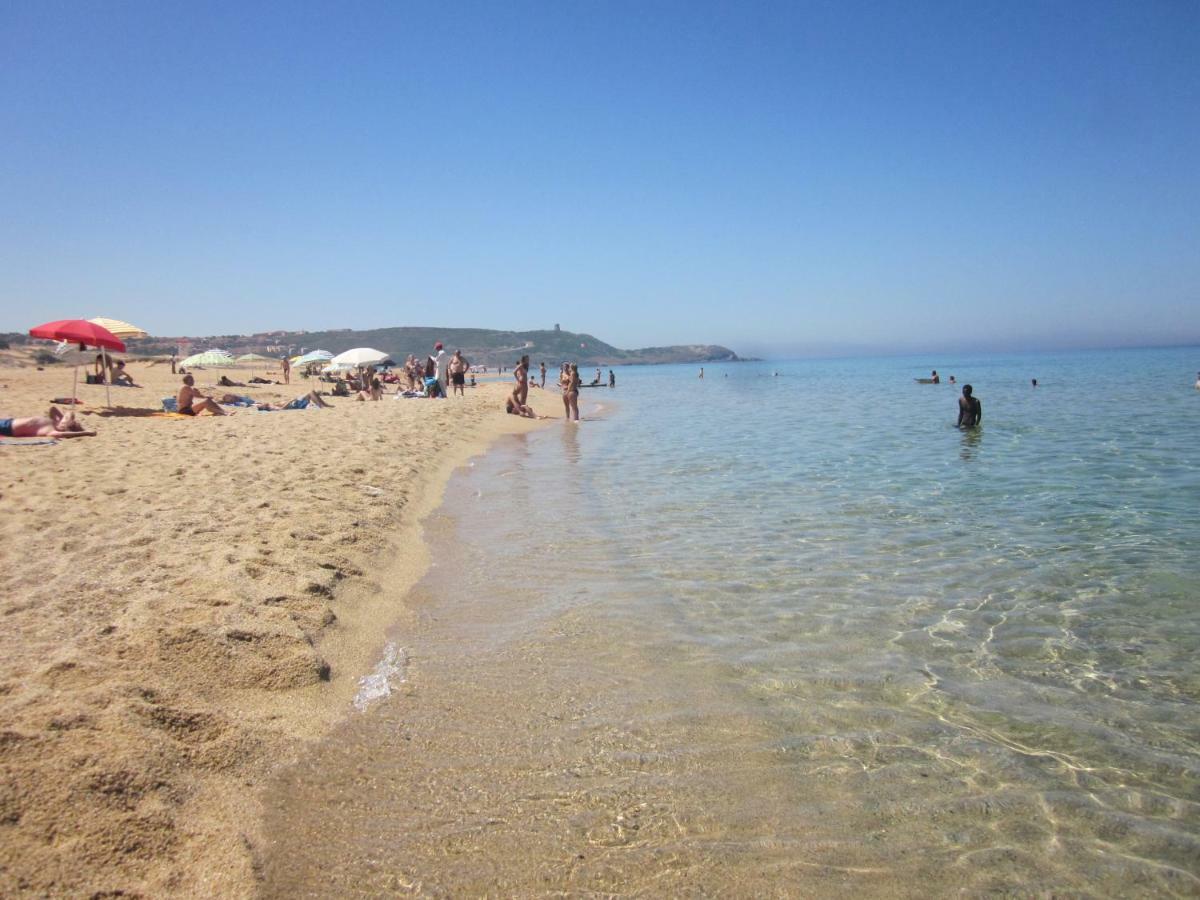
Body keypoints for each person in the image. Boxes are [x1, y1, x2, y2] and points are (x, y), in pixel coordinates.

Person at [0, 407, 96, 438]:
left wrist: (86, 433)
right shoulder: (54, 421)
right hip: (10, 421)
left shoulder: (51, 430)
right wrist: (64, 419)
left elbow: (63, 434)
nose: (65, 421)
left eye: (73, 423)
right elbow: (53, 409)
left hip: (8, 428)